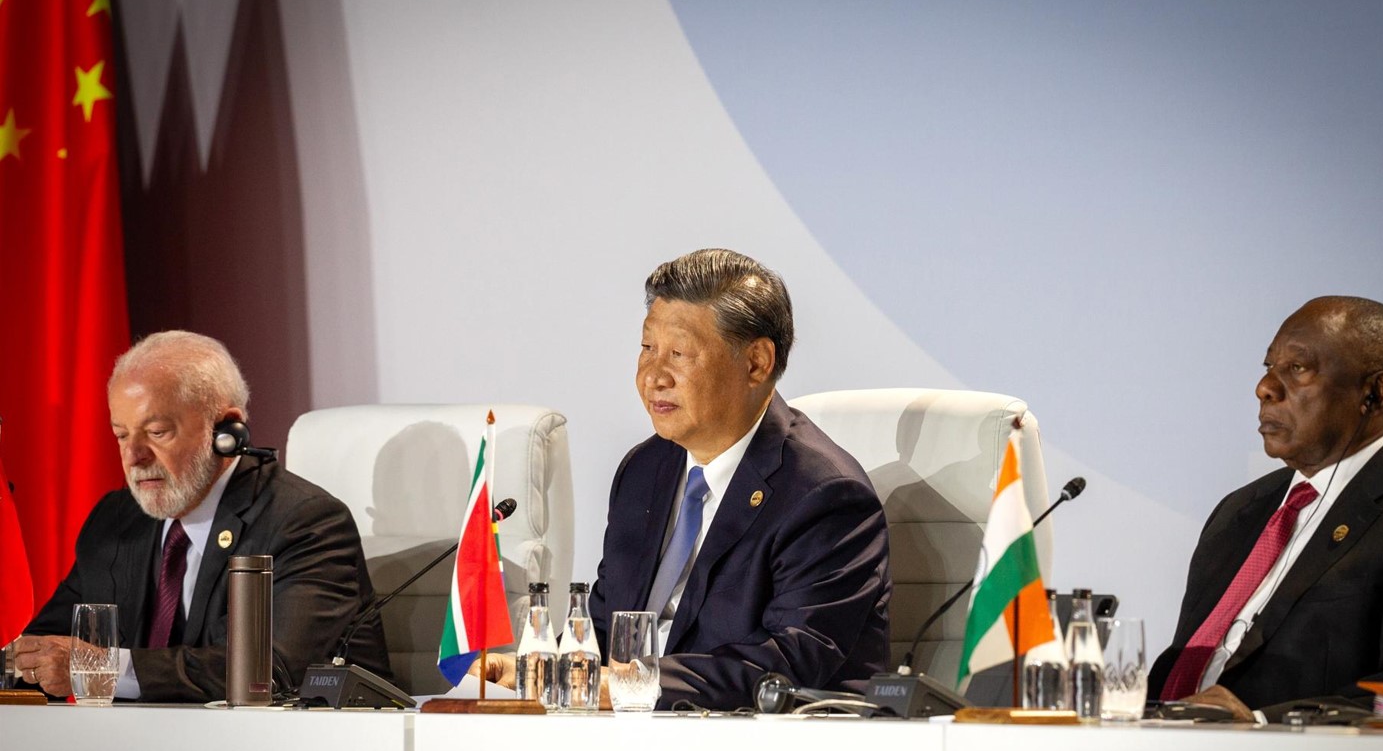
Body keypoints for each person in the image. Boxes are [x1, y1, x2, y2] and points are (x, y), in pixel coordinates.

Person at [477, 248, 892, 710]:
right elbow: (605, 626)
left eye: (678, 353)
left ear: (756, 363)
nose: (654, 376)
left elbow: (785, 665)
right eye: (647, 349)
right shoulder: (645, 470)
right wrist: (544, 670)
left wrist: (626, 687)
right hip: (631, 733)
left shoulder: (824, 496)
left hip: (769, 740)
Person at [10, 331, 390, 702]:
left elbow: (267, 670)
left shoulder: (304, 523)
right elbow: (46, 647)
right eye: (122, 435)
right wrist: (24, 663)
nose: (134, 456)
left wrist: (102, 669)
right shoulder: (116, 519)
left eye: (157, 432)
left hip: (285, 740)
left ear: (227, 430)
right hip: (138, 739)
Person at [1147, 296, 1383, 721]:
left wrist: (1263, 722)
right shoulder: (1239, 511)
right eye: (1269, 367)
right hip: (1161, 739)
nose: (1265, 387)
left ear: (1377, 393)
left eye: (1297, 368)